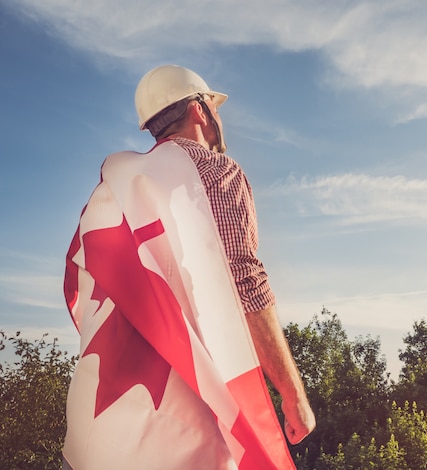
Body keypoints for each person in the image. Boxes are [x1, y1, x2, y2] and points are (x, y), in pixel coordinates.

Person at [62, 65, 315, 469]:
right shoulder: (215, 173)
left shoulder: (111, 192)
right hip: (178, 429)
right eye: (214, 106)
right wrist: (292, 393)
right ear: (200, 110)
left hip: (97, 421)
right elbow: (245, 282)